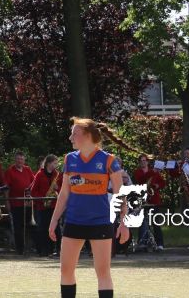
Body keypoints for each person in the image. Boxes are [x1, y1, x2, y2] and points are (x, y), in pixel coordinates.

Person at [48, 118, 130, 298]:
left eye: (74, 134)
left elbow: (120, 195)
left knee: (103, 273)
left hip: (100, 223)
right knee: (66, 271)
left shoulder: (109, 160)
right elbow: (64, 194)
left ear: (87, 136)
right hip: (74, 222)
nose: (70, 138)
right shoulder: (70, 159)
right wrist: (53, 221)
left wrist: (123, 223)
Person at [4, 151, 37, 255]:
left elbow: (34, 182)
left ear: (24, 160)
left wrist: (30, 192)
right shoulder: (10, 171)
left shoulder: (27, 169)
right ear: (15, 160)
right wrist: (7, 202)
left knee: (30, 226)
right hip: (16, 203)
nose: (20, 161)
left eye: (22, 159)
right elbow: (6, 188)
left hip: (27, 203)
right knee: (18, 227)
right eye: (18, 159)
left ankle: (30, 247)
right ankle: (20, 249)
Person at [132, 154, 166, 251]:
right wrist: (152, 172)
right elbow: (141, 180)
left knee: (156, 222)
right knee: (143, 223)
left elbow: (163, 183)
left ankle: (160, 244)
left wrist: (157, 185)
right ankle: (143, 243)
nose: (143, 162)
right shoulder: (138, 172)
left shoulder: (154, 172)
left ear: (147, 162)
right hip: (143, 200)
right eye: (141, 161)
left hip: (154, 200)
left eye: (144, 160)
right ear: (139, 163)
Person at [32, 154, 62, 256]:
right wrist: (43, 198)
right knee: (43, 228)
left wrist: (57, 188)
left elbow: (63, 190)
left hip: (54, 206)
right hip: (42, 206)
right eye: (54, 163)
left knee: (57, 228)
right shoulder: (39, 174)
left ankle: (58, 250)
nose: (56, 165)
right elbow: (33, 191)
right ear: (48, 163)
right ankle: (44, 250)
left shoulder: (57, 174)